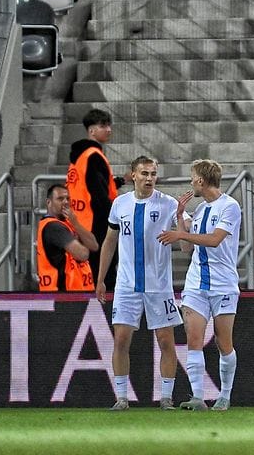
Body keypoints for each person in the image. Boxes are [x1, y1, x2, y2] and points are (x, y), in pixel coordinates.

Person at [96, 156, 183, 411]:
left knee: (166, 341)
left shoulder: (168, 204)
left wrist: (181, 221)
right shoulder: (119, 204)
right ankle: (122, 398)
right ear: (133, 175)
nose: (149, 178)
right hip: (126, 285)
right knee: (121, 340)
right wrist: (101, 278)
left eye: (153, 174)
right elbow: (110, 241)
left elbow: (186, 242)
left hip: (159, 286)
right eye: (144, 173)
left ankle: (166, 398)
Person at [156, 159, 243, 411]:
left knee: (222, 342)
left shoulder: (230, 206)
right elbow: (186, 248)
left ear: (202, 181)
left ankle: (225, 396)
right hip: (196, 283)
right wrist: (180, 217)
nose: (191, 182)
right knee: (194, 339)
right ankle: (197, 397)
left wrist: (181, 233)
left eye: (193, 177)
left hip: (223, 284)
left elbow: (215, 240)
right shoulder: (202, 210)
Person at [67, 108, 119, 291]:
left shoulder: (79, 156)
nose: (109, 129)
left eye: (109, 125)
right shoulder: (94, 156)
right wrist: (114, 217)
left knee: (88, 272)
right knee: (104, 272)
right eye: (103, 126)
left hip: (81, 219)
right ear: (91, 130)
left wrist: (119, 181)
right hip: (97, 221)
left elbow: (89, 185)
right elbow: (98, 193)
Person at [37, 183, 99, 292]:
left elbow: (94, 245)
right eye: (60, 199)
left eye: (68, 199)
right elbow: (83, 254)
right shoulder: (53, 227)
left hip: (77, 292)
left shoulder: (68, 222)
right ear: (48, 202)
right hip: (63, 294)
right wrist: (81, 242)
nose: (65, 202)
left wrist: (76, 224)